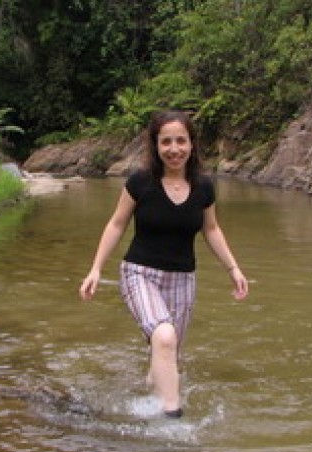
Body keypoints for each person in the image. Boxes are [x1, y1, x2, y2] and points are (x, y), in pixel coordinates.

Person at [79, 110, 248, 418]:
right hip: (139, 274)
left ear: (192, 144)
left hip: (183, 279)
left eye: (181, 141)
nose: (174, 149)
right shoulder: (140, 183)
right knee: (165, 336)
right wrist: (96, 268)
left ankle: (149, 394)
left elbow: (211, 229)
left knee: (169, 354)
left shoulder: (204, 187)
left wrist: (233, 268)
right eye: (166, 141)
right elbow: (117, 224)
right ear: (155, 146)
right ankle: (172, 418)